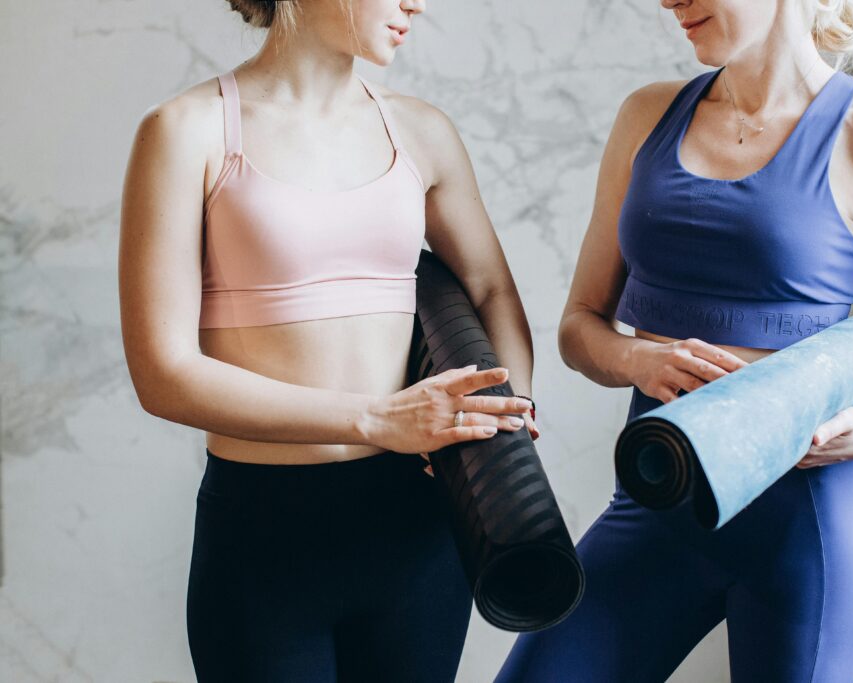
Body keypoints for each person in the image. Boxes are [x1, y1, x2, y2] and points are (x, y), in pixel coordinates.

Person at [496, 0, 853, 681]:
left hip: (806, 534)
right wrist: (638, 358)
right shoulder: (647, 118)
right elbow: (580, 325)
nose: (668, 0)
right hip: (658, 510)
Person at [118, 1, 539, 680]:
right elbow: (162, 372)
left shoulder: (421, 130)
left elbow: (491, 290)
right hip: (264, 542)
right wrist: (375, 417)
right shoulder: (186, 131)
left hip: (419, 533)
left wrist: (505, 420)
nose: (416, 3)